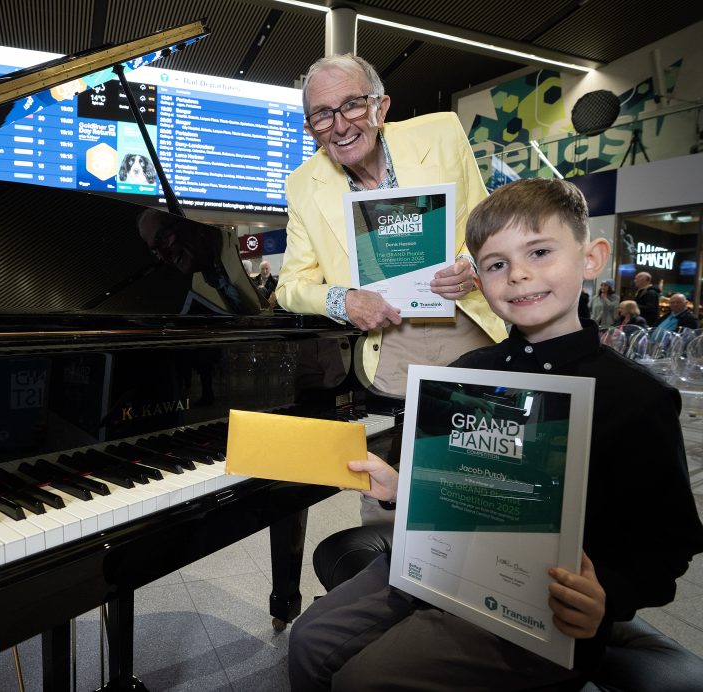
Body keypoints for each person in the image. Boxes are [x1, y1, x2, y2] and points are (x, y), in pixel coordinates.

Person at [288, 178, 703, 691]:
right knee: (307, 640)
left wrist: (608, 597)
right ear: (480, 282)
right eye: (497, 264)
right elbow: (461, 491)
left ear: (591, 258)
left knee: (367, 679)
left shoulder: (637, 398)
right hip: (436, 568)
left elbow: (669, 547)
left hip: (539, 609)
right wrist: (404, 489)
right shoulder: (466, 371)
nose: (520, 274)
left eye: (540, 251)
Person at [275, 54, 506, 401]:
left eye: (352, 105)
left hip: (469, 326)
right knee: (397, 451)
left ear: (380, 109)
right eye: (323, 114)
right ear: (310, 130)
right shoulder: (301, 185)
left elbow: (489, 229)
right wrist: (345, 300)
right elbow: (290, 288)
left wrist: (469, 267)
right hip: (387, 352)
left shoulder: (442, 134)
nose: (340, 126)